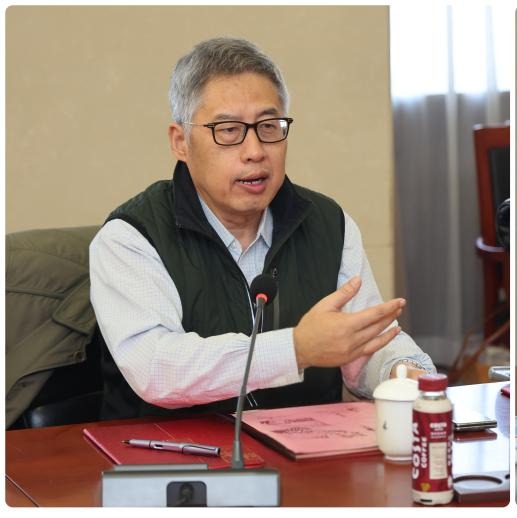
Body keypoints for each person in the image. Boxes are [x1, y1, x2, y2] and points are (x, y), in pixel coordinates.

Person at [90, 36, 436, 420]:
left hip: (304, 448)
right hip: (169, 452)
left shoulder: (328, 224)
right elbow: (157, 368)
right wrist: (296, 348)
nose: (255, 151)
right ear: (180, 142)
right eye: (228, 130)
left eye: (269, 126)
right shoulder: (131, 237)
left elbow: (364, 347)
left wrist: (406, 374)